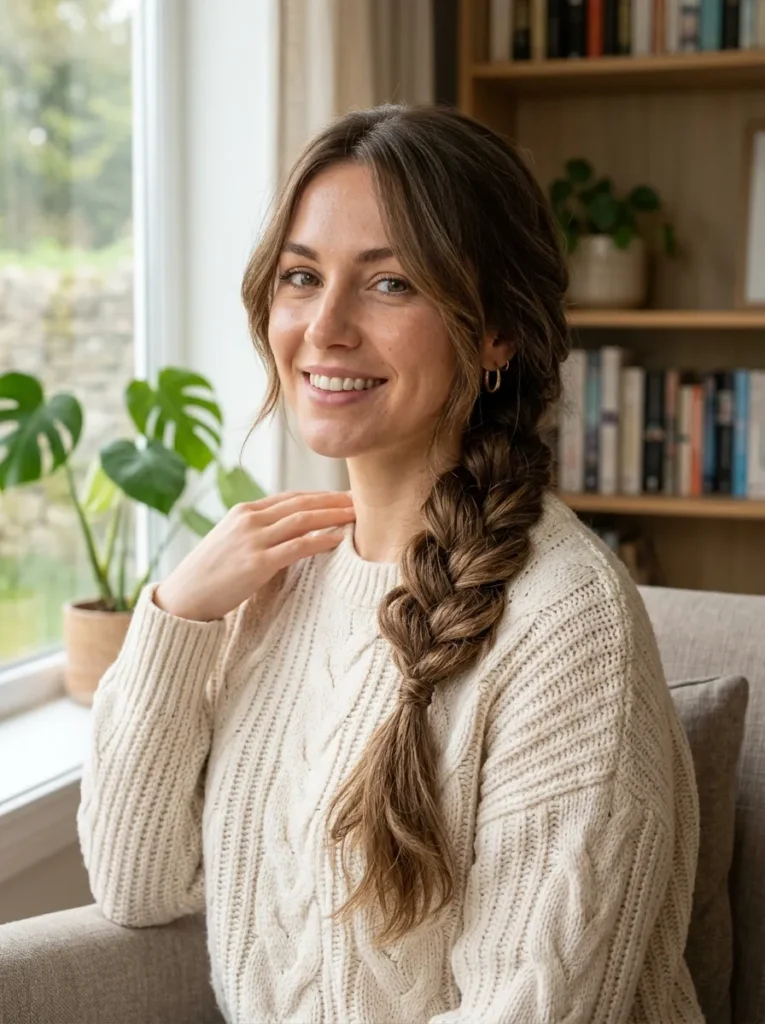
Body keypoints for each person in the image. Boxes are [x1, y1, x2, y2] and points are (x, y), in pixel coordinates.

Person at [77, 103, 703, 1024]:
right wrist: (178, 613)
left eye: (390, 285)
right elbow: (138, 887)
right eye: (300, 276)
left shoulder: (568, 622)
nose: (323, 328)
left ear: (495, 334)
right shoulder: (278, 579)